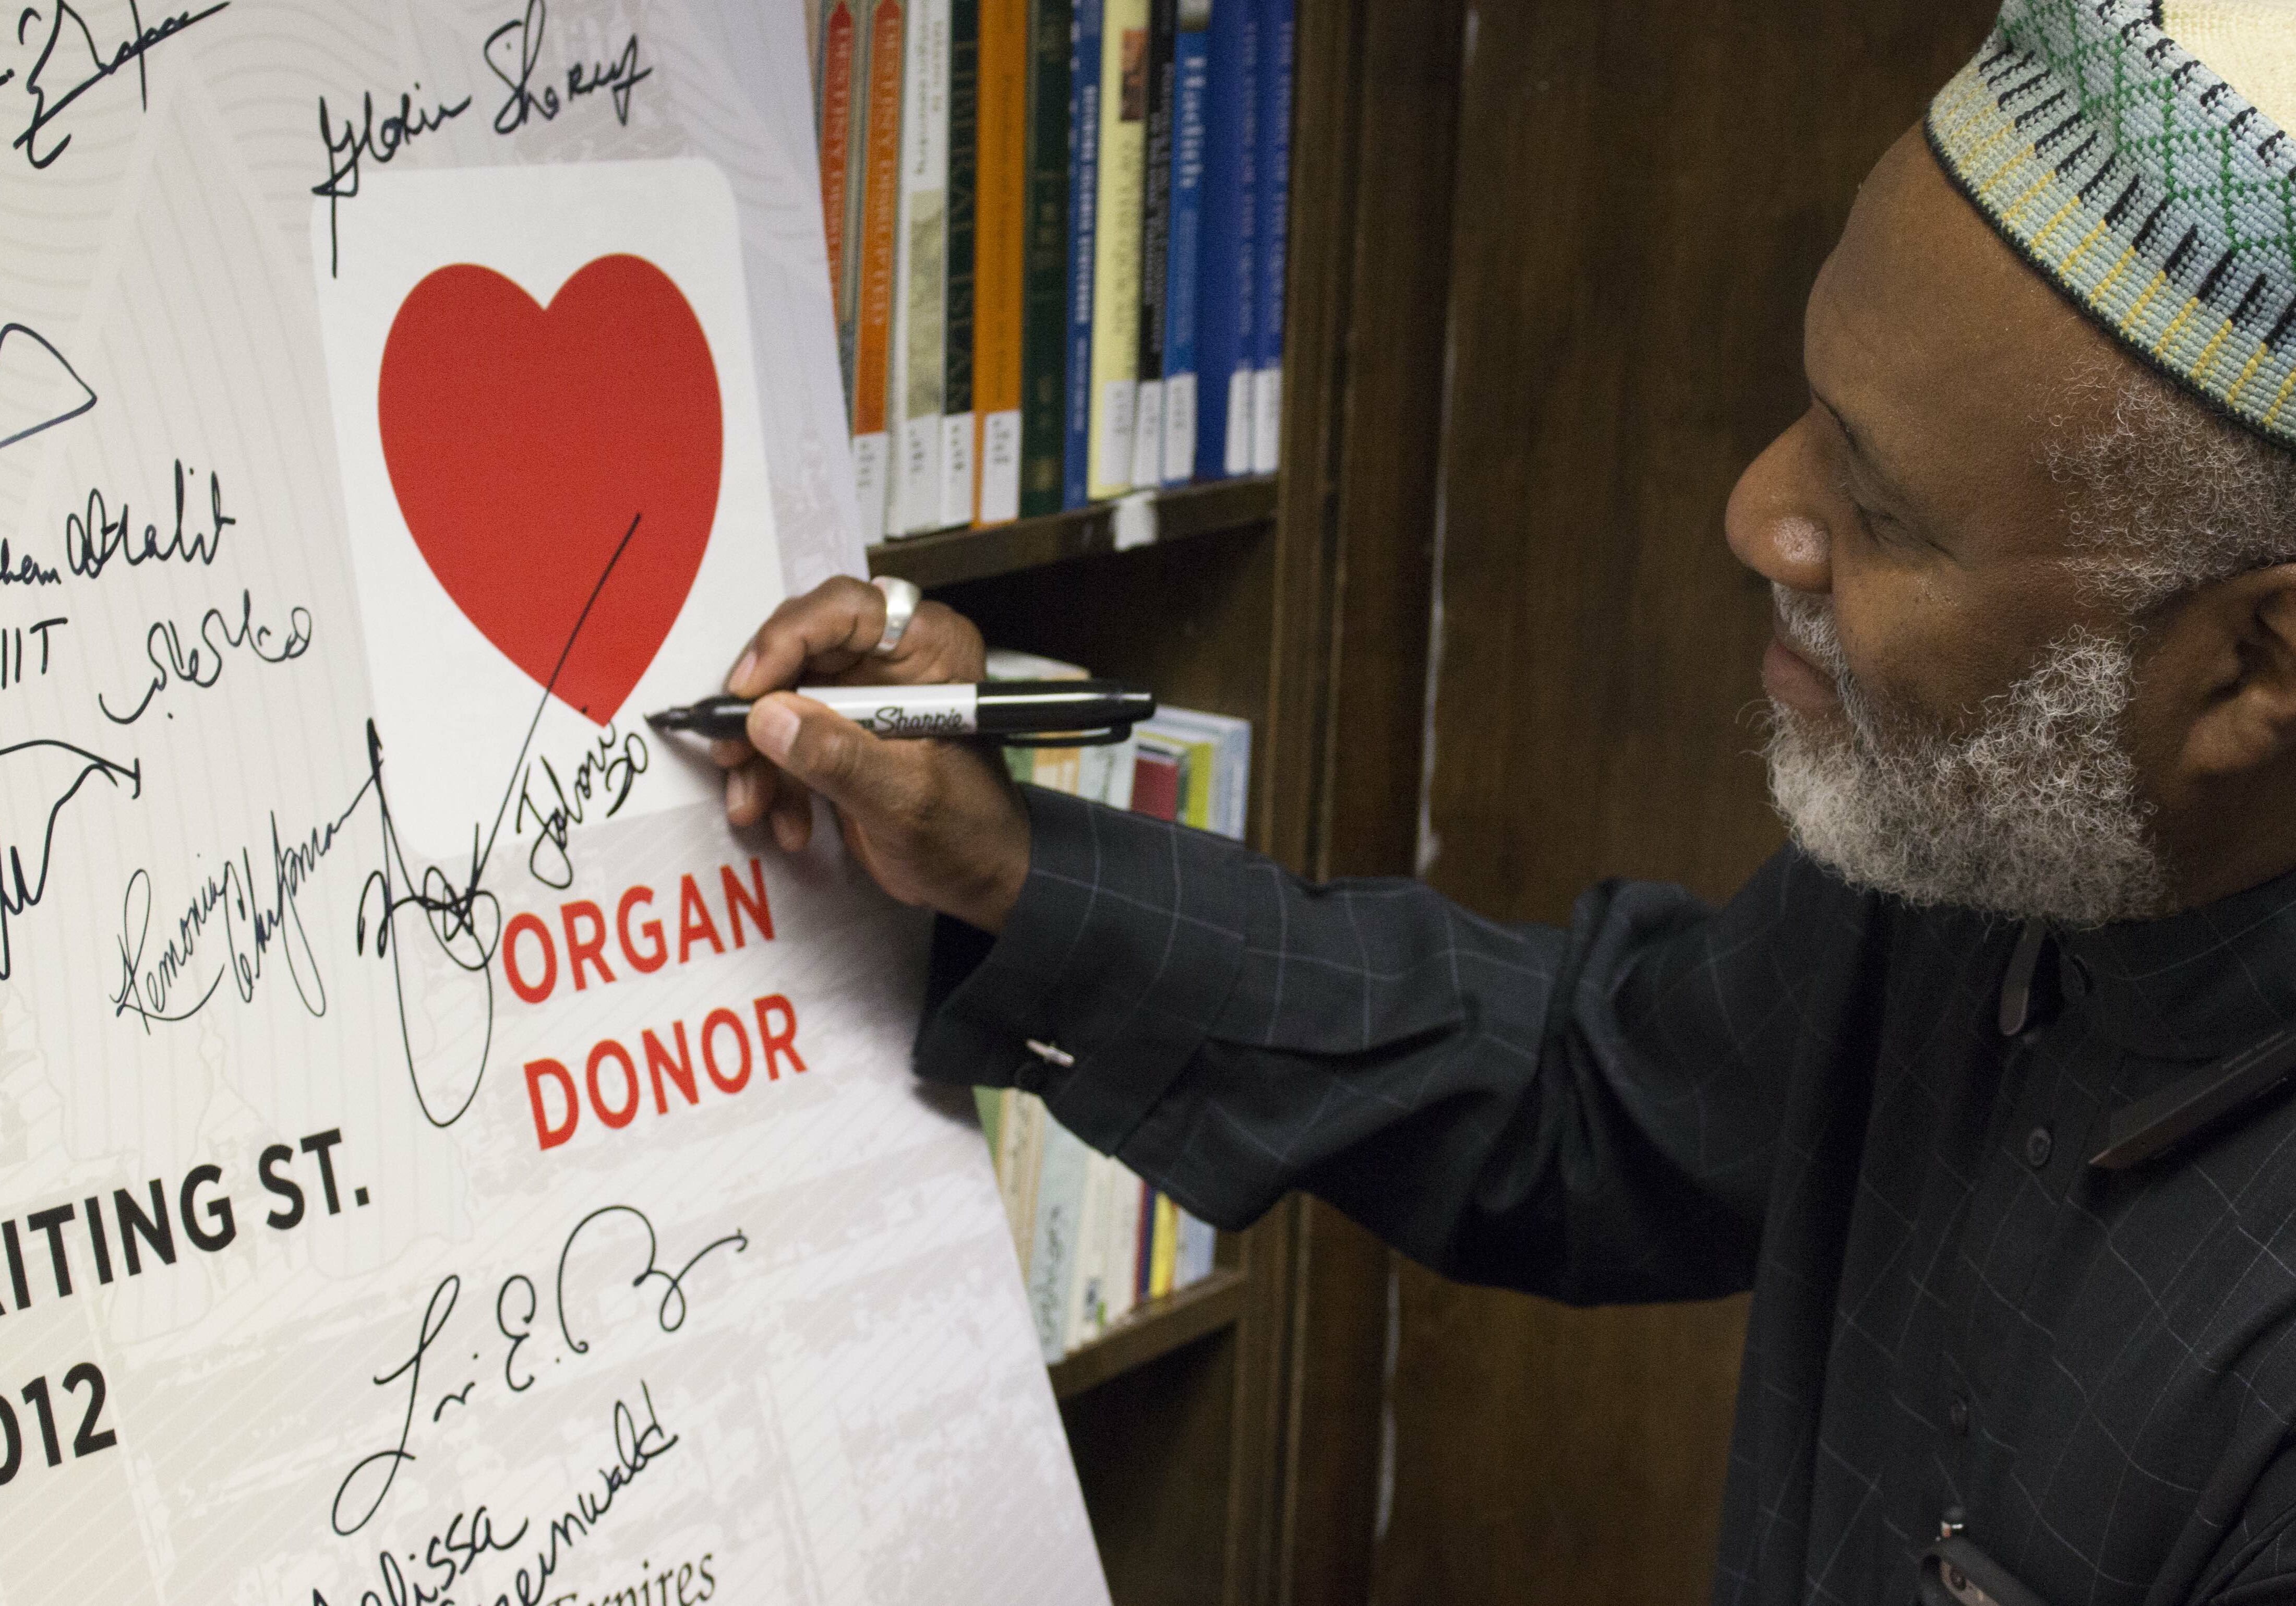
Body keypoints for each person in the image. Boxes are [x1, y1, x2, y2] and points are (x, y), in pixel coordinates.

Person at [710, 3, 2296, 1600]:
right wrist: (1005, 863)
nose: (1757, 512)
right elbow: (1596, 1099)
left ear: (2256, 664)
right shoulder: (2016, 844)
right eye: (1806, 411)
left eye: (1877, 508)